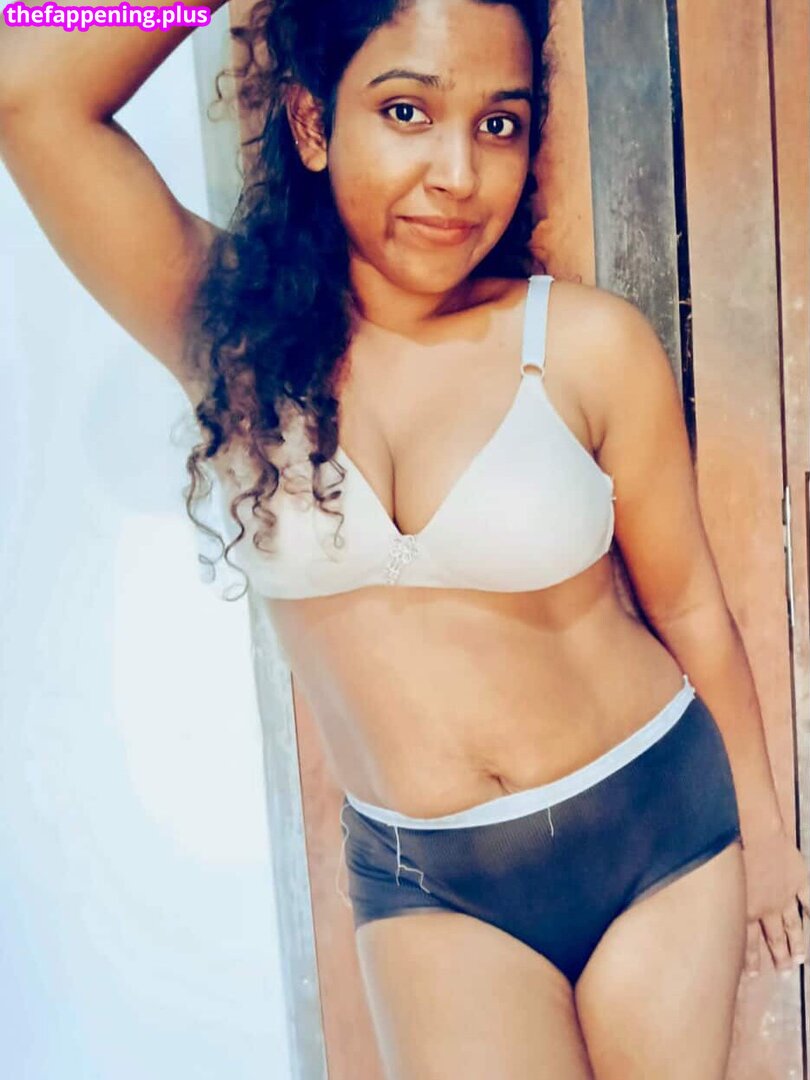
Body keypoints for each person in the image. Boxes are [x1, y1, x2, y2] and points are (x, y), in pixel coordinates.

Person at [1, 1, 808, 1076]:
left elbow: (692, 602)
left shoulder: (588, 344)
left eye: (498, 124)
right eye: (406, 111)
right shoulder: (231, 340)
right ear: (312, 122)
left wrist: (766, 825)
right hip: (430, 885)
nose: (458, 174)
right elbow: (27, 83)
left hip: (655, 828)